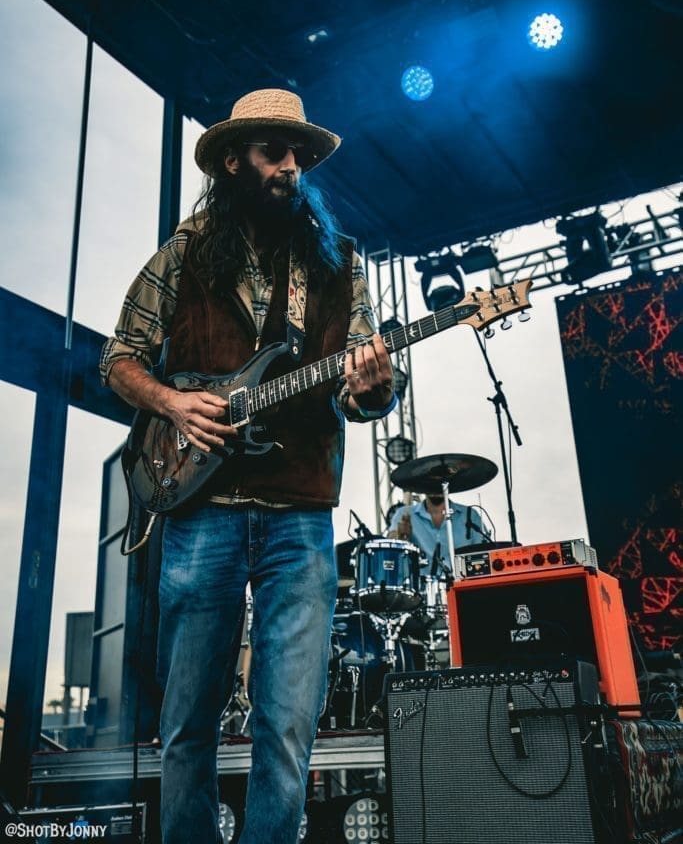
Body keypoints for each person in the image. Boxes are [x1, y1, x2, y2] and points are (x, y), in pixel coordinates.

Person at [100, 88, 396, 844]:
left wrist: (374, 387)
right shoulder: (185, 253)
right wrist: (170, 402)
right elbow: (119, 360)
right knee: (186, 726)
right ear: (233, 160)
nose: (291, 168)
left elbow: (357, 396)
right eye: (274, 152)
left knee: (288, 726)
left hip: (299, 512)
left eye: (300, 155)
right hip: (201, 511)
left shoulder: (338, 265)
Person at [387, 491, 490, 573]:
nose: (435, 484)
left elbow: (484, 556)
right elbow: (389, 551)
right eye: (431, 480)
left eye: (440, 479)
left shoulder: (470, 515)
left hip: (463, 591)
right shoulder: (405, 513)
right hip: (421, 594)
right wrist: (401, 537)